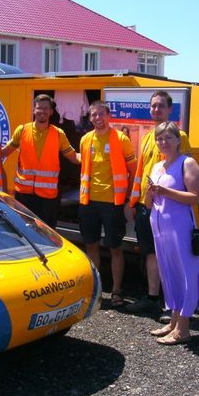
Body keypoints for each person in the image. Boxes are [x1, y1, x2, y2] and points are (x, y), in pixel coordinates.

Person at [145, 121, 199, 344]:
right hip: (160, 229)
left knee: (185, 273)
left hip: (180, 227)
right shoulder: (157, 166)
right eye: (159, 138)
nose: (163, 142)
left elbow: (196, 197)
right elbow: (148, 204)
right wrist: (149, 193)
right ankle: (173, 322)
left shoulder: (187, 163)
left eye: (168, 138)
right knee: (169, 272)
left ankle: (183, 329)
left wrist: (165, 191)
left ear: (178, 140)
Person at [126, 90, 190, 317]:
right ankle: (153, 298)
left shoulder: (179, 135)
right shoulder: (147, 137)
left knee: (169, 254)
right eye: (153, 106)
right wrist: (133, 202)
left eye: (161, 106)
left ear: (170, 109)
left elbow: (184, 174)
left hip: (168, 208)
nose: (156, 110)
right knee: (151, 254)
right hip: (147, 207)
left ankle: (171, 304)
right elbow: (140, 174)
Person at [79, 101, 137, 307]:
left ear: (108, 115)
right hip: (89, 202)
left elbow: (133, 170)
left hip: (113, 204)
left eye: (101, 114)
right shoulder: (86, 139)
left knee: (115, 248)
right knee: (91, 245)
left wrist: (129, 198)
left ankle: (116, 291)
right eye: (93, 115)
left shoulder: (120, 139)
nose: (97, 118)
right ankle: (96, 289)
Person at [2, 94, 80, 228]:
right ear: (34, 110)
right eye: (39, 108)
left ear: (51, 112)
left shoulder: (58, 134)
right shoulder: (22, 130)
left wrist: (93, 157)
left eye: (45, 108)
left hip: (47, 198)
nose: (42, 111)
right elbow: (5, 152)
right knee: (24, 233)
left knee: (47, 235)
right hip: (23, 195)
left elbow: (73, 157)